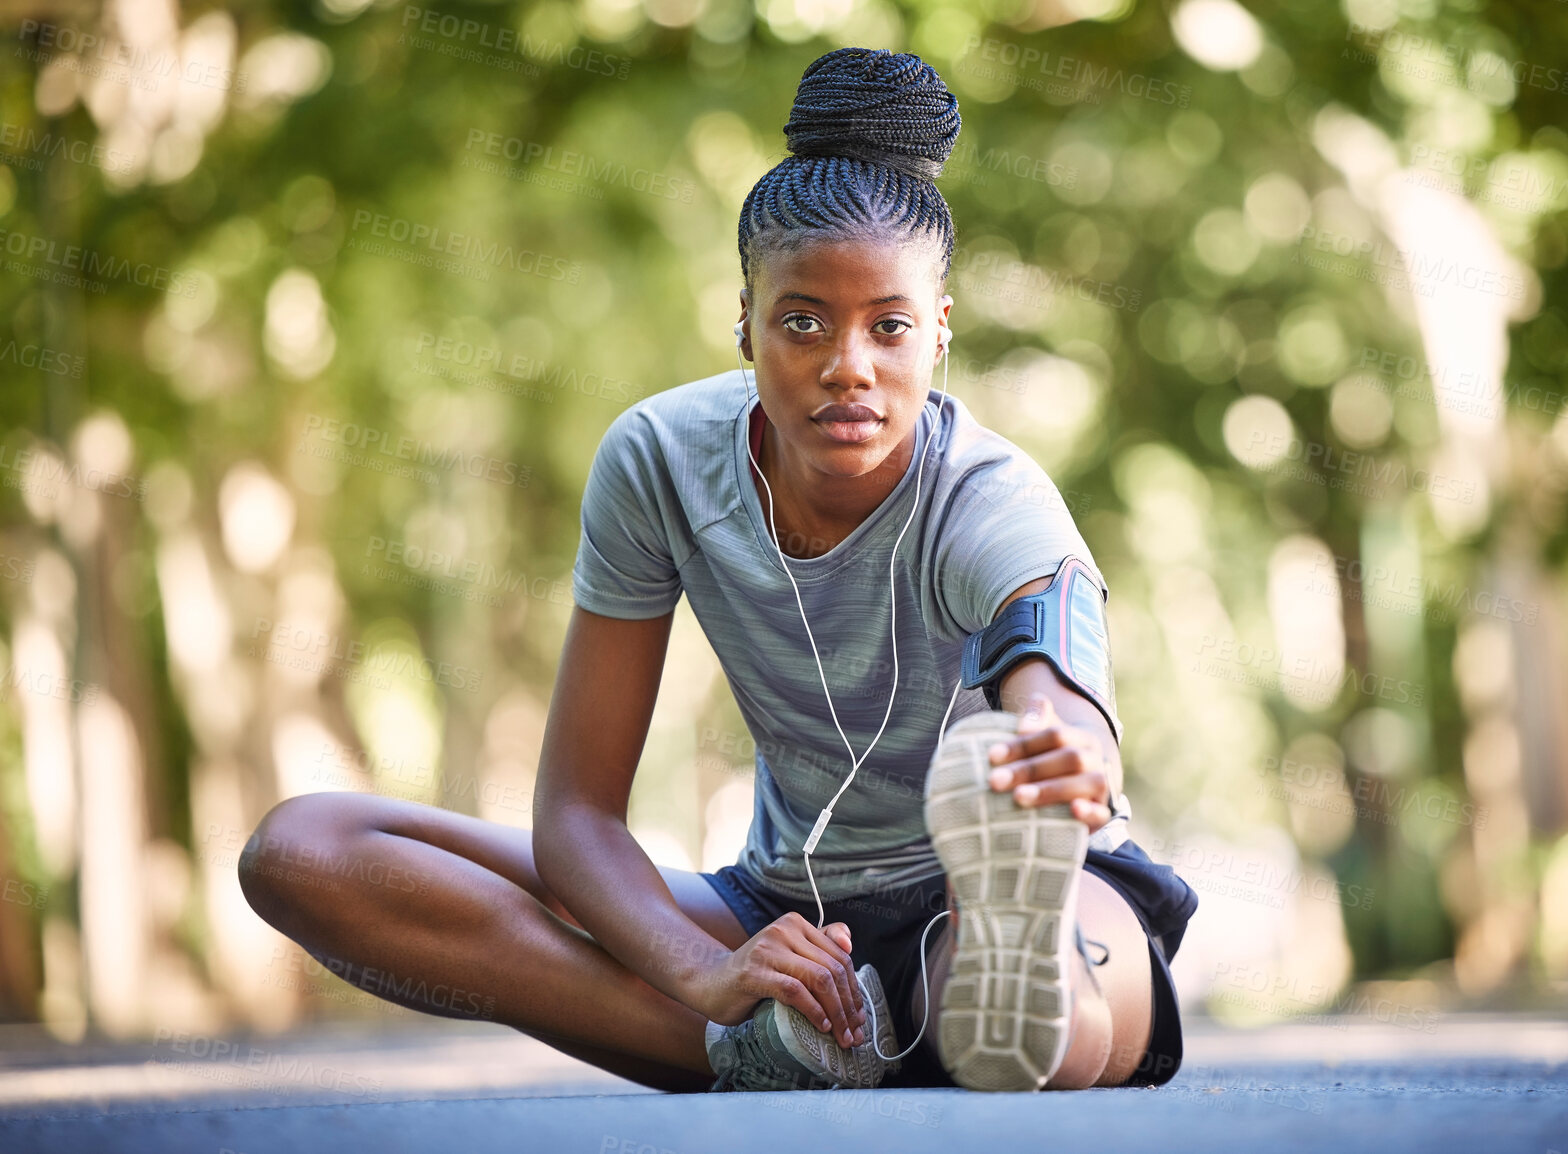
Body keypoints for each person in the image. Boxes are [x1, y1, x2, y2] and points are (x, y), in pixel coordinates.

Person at [238, 46, 1195, 1094]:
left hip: (1033, 895)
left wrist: (1063, 738)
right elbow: (576, 816)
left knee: (1037, 1026)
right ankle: (779, 1035)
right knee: (306, 850)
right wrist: (709, 970)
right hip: (785, 908)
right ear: (742, 319)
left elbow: (1049, 651)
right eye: (801, 322)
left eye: (890, 327)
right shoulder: (661, 461)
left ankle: (945, 997)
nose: (848, 365)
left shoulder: (988, 491)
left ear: (939, 336)